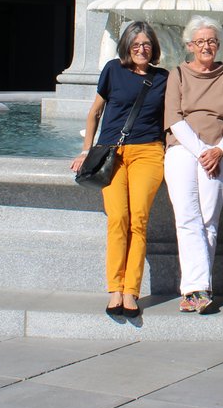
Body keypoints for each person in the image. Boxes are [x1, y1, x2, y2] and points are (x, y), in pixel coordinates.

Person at [70, 21, 168, 318]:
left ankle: (131, 291)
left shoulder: (163, 78)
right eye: (136, 45)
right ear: (126, 47)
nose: (141, 49)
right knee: (118, 218)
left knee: (138, 219)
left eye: (146, 44)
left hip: (148, 153)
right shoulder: (113, 69)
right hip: (112, 154)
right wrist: (86, 150)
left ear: (153, 48)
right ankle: (115, 288)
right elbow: (95, 112)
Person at [163, 16, 223, 314]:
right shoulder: (178, 74)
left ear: (218, 45)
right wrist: (202, 151)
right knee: (187, 216)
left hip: (219, 150)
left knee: (208, 219)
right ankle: (197, 288)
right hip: (183, 149)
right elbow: (173, 118)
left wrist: (218, 150)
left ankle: (197, 290)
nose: (206, 46)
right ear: (190, 45)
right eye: (201, 41)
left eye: (212, 41)